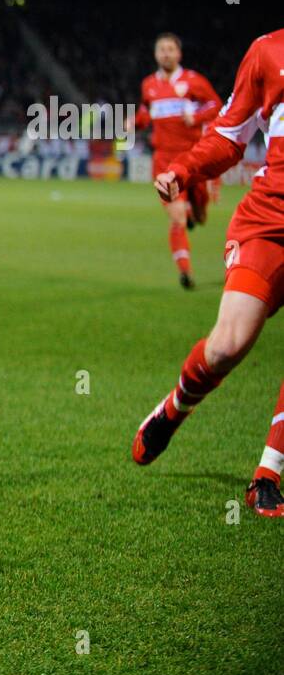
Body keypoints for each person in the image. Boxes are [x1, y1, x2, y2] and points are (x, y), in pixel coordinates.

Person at [132, 29, 284, 517]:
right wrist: (186, 169)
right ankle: (175, 407)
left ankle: (267, 475)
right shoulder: (268, 51)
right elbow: (229, 133)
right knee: (227, 346)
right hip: (270, 223)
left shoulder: (194, 81)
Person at [130, 33, 222, 289]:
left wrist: (198, 116)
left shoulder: (194, 81)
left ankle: (194, 211)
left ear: (179, 54)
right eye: (162, 49)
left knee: (200, 216)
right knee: (177, 218)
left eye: (170, 49)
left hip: (194, 159)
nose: (166, 54)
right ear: (156, 54)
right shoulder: (149, 84)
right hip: (164, 162)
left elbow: (217, 105)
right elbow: (146, 112)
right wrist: (134, 123)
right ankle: (185, 271)